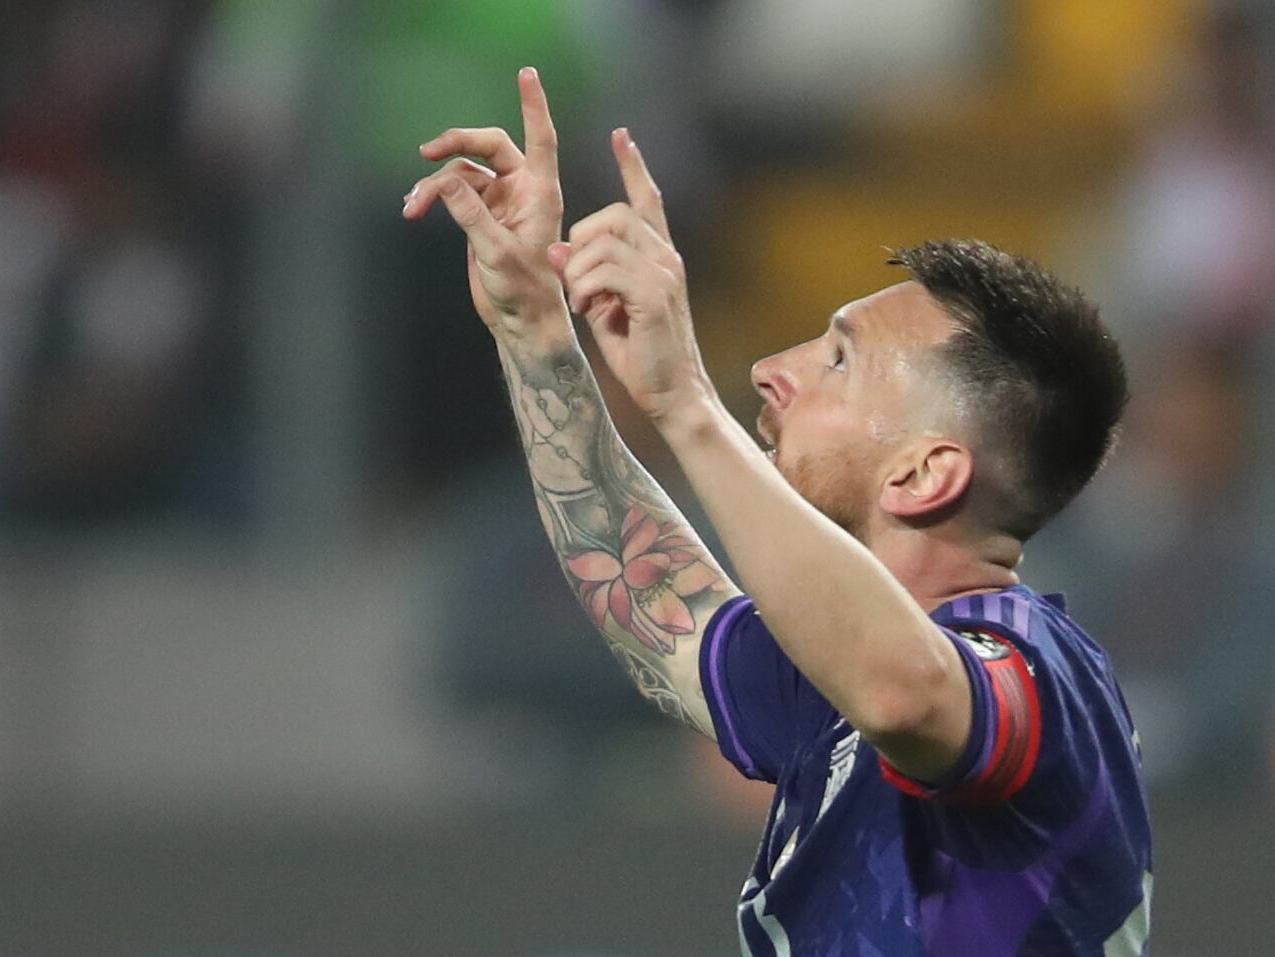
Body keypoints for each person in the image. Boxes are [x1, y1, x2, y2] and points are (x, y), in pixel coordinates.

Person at [404, 69, 1152, 956]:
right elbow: (648, 588)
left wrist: (687, 404)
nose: (769, 370)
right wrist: (535, 331)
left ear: (924, 474)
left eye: (837, 360)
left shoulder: (1040, 671)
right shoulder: (823, 692)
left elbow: (906, 691)